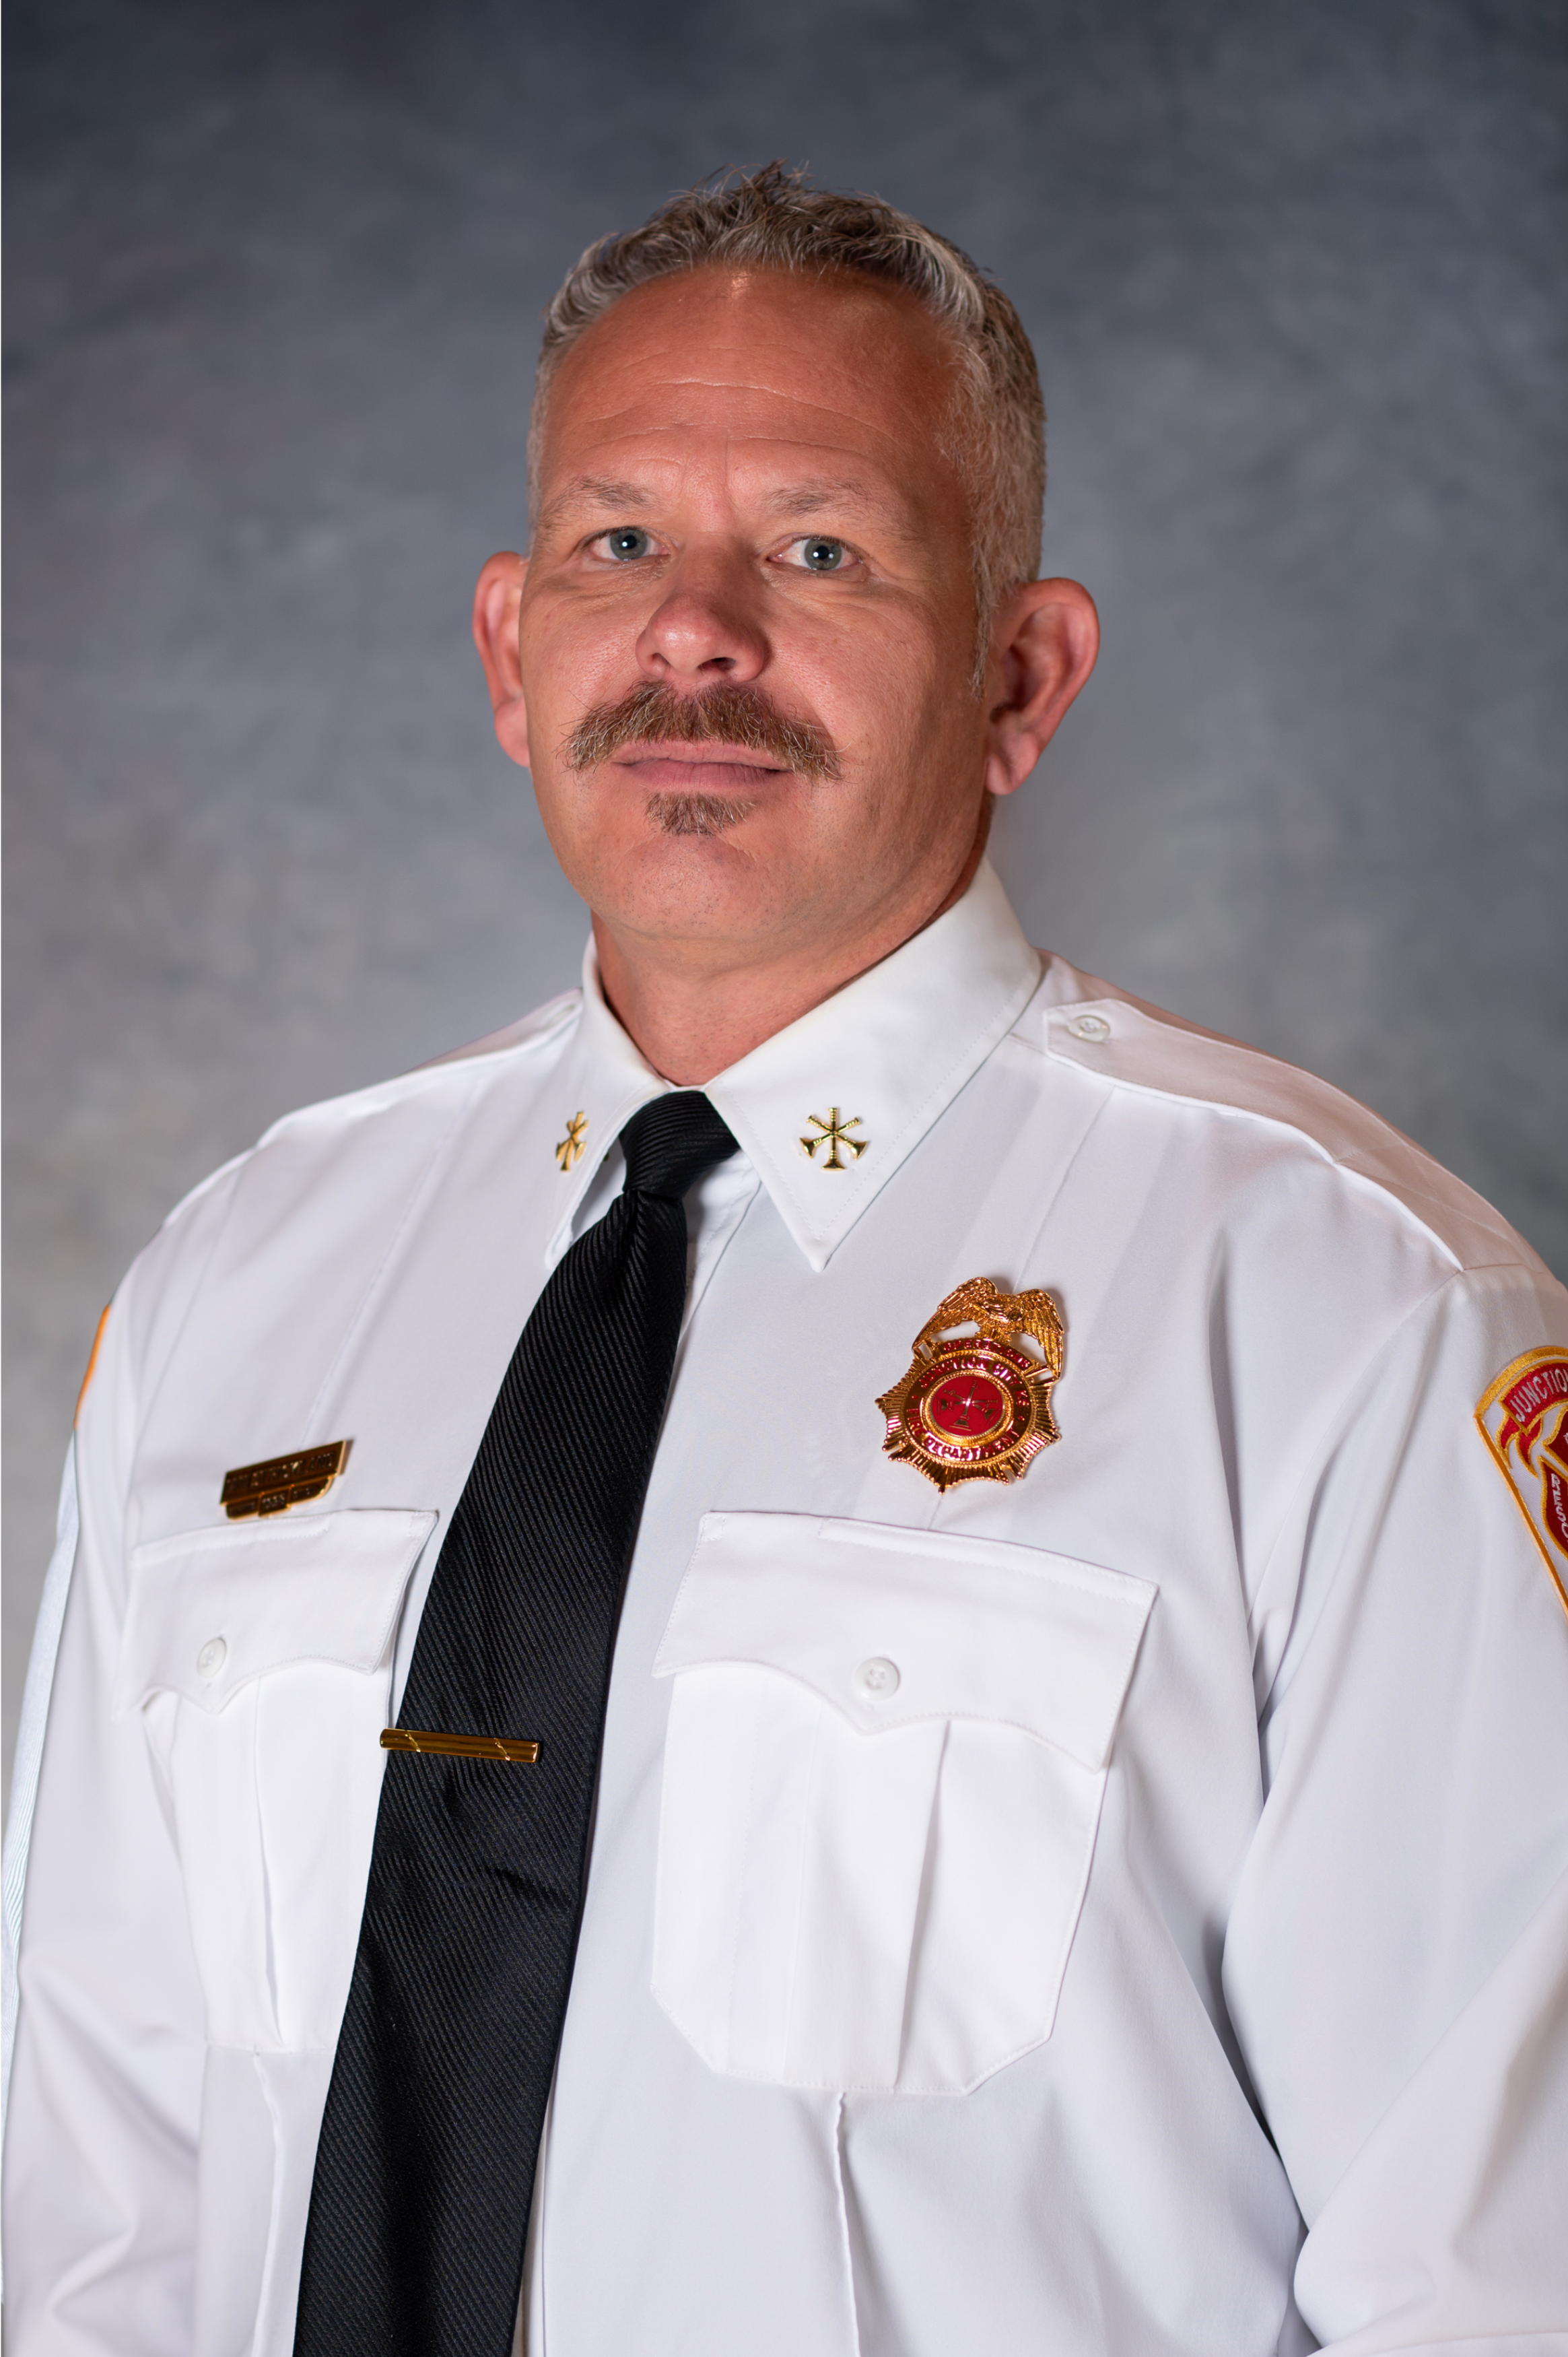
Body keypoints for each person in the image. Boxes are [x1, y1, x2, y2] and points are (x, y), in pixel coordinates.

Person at [3, 162, 1566, 2357]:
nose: (695, 634)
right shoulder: (237, 1285)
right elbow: (97, 2221)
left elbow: (1498, 2279)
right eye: (617, 540)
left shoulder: (1351, 1314)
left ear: (1022, 677)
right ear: (505, 644)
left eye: (819, 549)